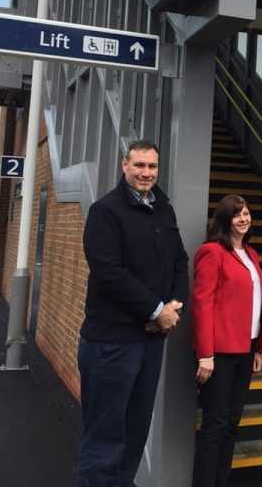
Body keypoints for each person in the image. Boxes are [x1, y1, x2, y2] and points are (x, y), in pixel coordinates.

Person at [76, 139, 189, 487]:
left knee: (135, 431)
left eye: (152, 166)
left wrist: (173, 306)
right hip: (111, 344)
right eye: (139, 165)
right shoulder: (105, 211)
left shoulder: (164, 211)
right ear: (125, 165)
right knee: (105, 437)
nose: (146, 173)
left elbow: (179, 262)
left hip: (150, 342)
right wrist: (157, 310)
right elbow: (109, 272)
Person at [191, 194, 262, 487]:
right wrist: (205, 354)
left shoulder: (251, 254)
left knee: (232, 425)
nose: (243, 219)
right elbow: (202, 304)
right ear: (224, 220)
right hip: (219, 354)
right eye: (237, 215)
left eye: (246, 213)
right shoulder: (212, 252)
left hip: (246, 349)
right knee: (215, 426)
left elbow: (257, 303)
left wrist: (259, 347)